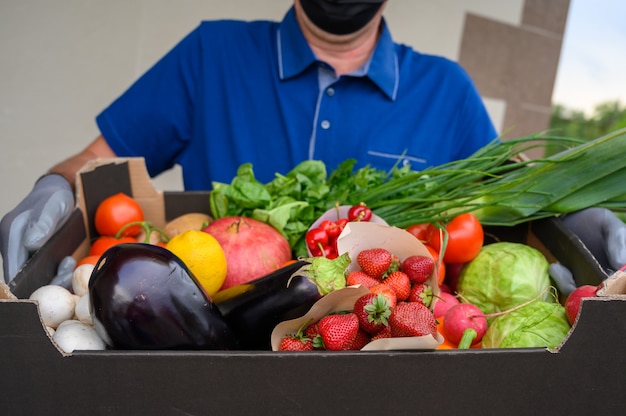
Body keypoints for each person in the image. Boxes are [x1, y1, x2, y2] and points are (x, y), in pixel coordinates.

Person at [2, 0, 621, 285]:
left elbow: (514, 203)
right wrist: (58, 188)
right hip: (220, 359)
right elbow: (95, 159)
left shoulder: (446, 90)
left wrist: (577, 210)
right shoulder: (210, 53)